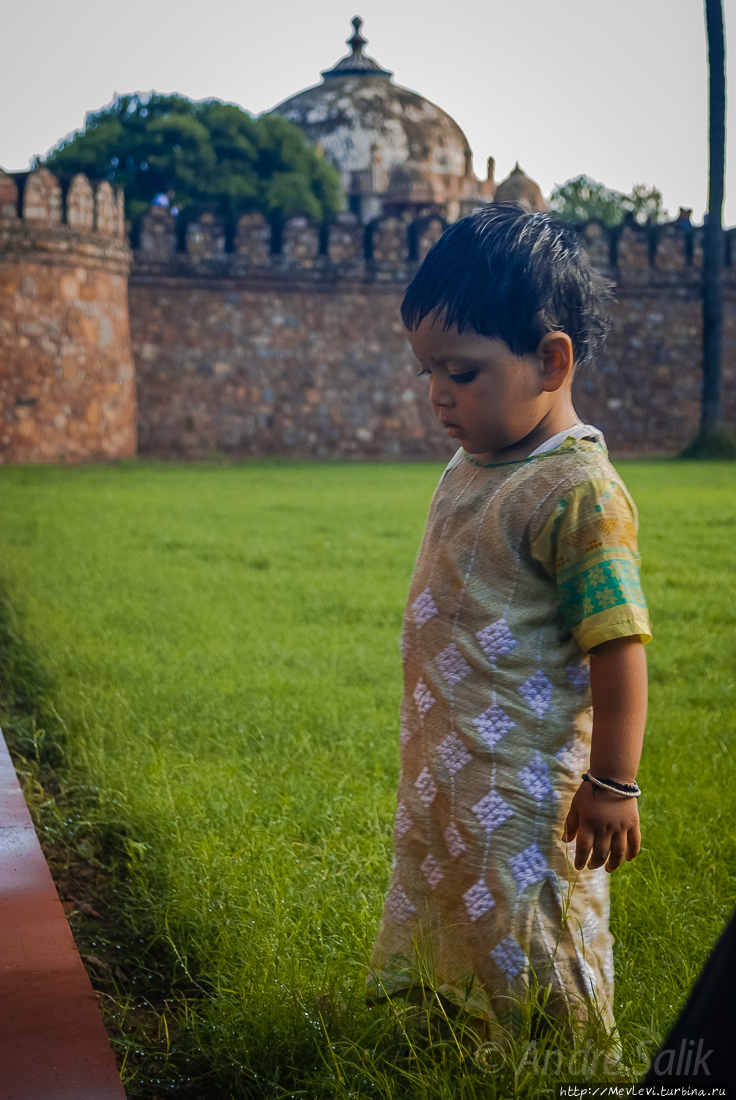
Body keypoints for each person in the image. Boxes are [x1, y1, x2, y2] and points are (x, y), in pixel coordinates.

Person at [367, 205, 651, 1041]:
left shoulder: (578, 490)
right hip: (448, 754)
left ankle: (559, 1050)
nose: (437, 396)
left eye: (461, 372)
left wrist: (613, 782)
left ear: (551, 360)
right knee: (447, 884)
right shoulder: (474, 460)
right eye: (427, 372)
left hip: (525, 777)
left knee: (529, 907)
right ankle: (442, 1022)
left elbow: (619, 643)